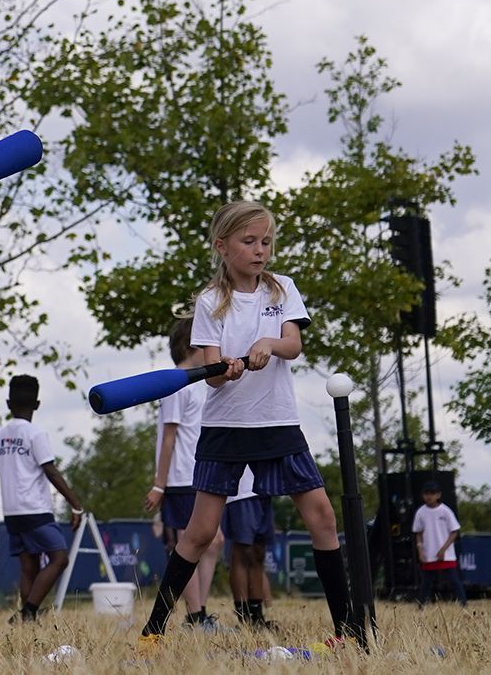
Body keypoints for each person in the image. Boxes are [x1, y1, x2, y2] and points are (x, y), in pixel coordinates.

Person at [138, 201, 354, 649]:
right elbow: (211, 375)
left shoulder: (283, 290)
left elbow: (293, 344)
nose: (260, 251)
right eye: (249, 241)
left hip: (278, 422)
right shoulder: (210, 302)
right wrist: (225, 370)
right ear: (222, 246)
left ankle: (347, 630)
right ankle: (153, 632)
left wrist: (268, 343)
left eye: (266, 242)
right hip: (226, 429)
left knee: (323, 518)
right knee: (199, 533)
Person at [141, 317, 226, 630]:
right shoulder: (176, 383)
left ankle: (199, 612)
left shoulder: (201, 384)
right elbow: (169, 437)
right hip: (180, 478)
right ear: (194, 345)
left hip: (201, 473)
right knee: (190, 542)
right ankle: (195, 614)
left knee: (214, 541)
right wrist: (159, 485)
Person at [0, 375, 83, 623]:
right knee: (59, 559)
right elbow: (50, 470)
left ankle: (28, 618)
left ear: (8, 403)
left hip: (11, 510)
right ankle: (29, 611)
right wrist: (75, 504)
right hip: (34, 508)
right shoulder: (35, 434)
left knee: (29, 566)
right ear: (38, 404)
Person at [223, 468, 276, 628]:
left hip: (263, 487)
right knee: (243, 552)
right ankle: (243, 615)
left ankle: (257, 614)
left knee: (259, 553)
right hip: (241, 490)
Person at [413, 480, 466, 607]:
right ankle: (421, 605)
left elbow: (454, 532)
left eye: (432, 493)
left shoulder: (445, 511)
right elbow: (418, 533)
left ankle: (463, 603)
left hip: (446, 554)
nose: (429, 496)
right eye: (426, 493)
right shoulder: (421, 512)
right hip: (429, 553)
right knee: (426, 582)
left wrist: (444, 549)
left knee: (454, 580)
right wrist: (420, 551)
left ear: (438, 495)